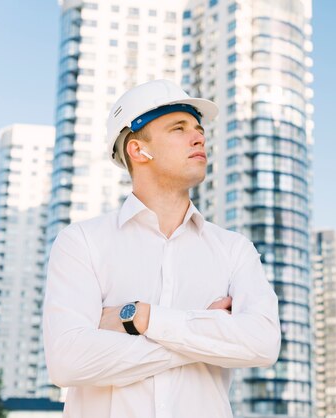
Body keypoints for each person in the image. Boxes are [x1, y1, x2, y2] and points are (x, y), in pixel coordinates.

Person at [43, 79, 281, 418]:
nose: (199, 137)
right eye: (178, 128)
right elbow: (68, 363)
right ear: (139, 150)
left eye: (198, 129)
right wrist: (207, 334)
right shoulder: (81, 242)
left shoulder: (234, 250)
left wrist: (141, 317)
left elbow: (262, 342)